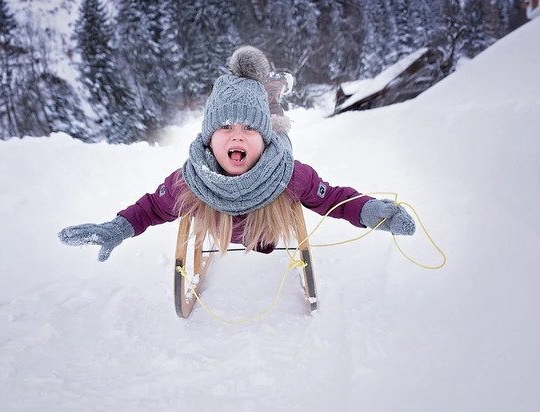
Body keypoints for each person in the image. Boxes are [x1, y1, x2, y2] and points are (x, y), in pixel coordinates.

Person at [58, 46, 415, 262]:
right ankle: (265, 97)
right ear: (209, 138)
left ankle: (269, 103)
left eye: (248, 129)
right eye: (225, 128)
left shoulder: (289, 175)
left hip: (267, 218)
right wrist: (118, 227)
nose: (236, 136)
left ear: (263, 138)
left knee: (269, 122)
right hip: (231, 208)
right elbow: (152, 207)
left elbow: (334, 200)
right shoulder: (191, 179)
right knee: (253, 115)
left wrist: (372, 212)